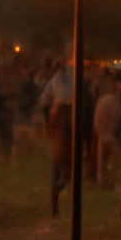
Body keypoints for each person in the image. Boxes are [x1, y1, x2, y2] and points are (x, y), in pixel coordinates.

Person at [39, 60, 74, 216]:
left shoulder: (69, 78)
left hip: (66, 116)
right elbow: (46, 101)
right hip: (60, 117)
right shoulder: (54, 82)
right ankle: (55, 202)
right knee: (58, 160)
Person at [93, 74, 121, 191]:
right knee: (114, 160)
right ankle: (115, 182)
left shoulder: (102, 100)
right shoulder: (115, 103)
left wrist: (98, 131)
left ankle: (102, 181)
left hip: (102, 132)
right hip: (110, 133)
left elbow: (97, 117)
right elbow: (117, 118)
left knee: (102, 160)